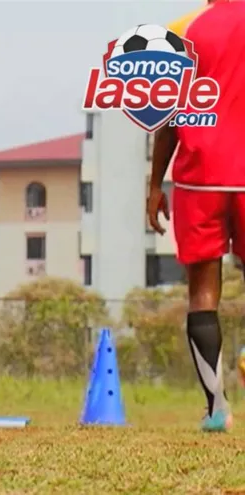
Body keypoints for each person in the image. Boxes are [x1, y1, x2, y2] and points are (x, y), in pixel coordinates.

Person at [148, 0, 245, 433]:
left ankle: (217, 409)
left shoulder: (182, 31)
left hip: (200, 179)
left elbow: (167, 118)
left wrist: (155, 185)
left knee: (203, 292)